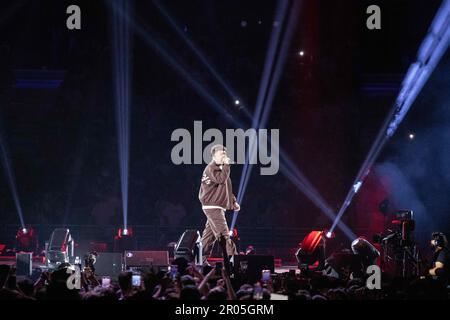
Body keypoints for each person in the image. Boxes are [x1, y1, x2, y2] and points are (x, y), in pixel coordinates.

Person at [198, 144, 240, 266]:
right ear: (214, 155)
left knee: (208, 236)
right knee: (224, 235)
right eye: (221, 153)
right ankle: (235, 262)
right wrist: (227, 165)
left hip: (216, 206)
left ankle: (200, 260)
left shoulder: (221, 169)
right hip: (213, 206)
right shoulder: (211, 168)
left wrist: (233, 202)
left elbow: (226, 187)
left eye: (225, 153)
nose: (224, 156)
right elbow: (221, 180)